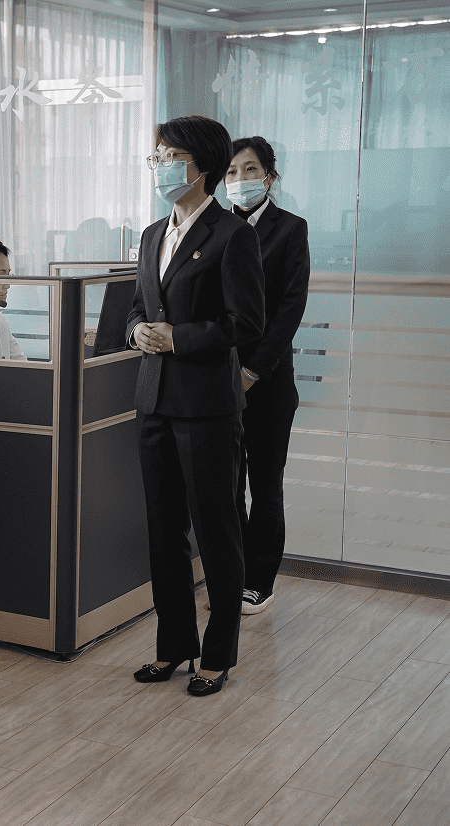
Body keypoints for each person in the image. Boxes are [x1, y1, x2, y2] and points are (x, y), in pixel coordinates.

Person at [126, 115, 265, 697]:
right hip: (154, 400)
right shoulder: (151, 234)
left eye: (170, 157)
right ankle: (173, 646)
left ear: (201, 165)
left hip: (206, 406)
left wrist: (179, 338)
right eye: (156, 157)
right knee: (163, 532)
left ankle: (217, 654)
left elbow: (246, 323)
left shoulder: (232, 235)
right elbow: (138, 307)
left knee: (215, 530)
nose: (160, 166)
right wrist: (138, 331)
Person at [225, 136, 311, 615]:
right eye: (231, 172)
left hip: (268, 382)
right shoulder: (216, 229)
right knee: (227, 484)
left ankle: (260, 580)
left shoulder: (290, 229)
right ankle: (232, 574)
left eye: (250, 169)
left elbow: (290, 309)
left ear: (270, 177)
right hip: (218, 380)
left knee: (264, 483)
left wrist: (252, 370)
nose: (240, 179)